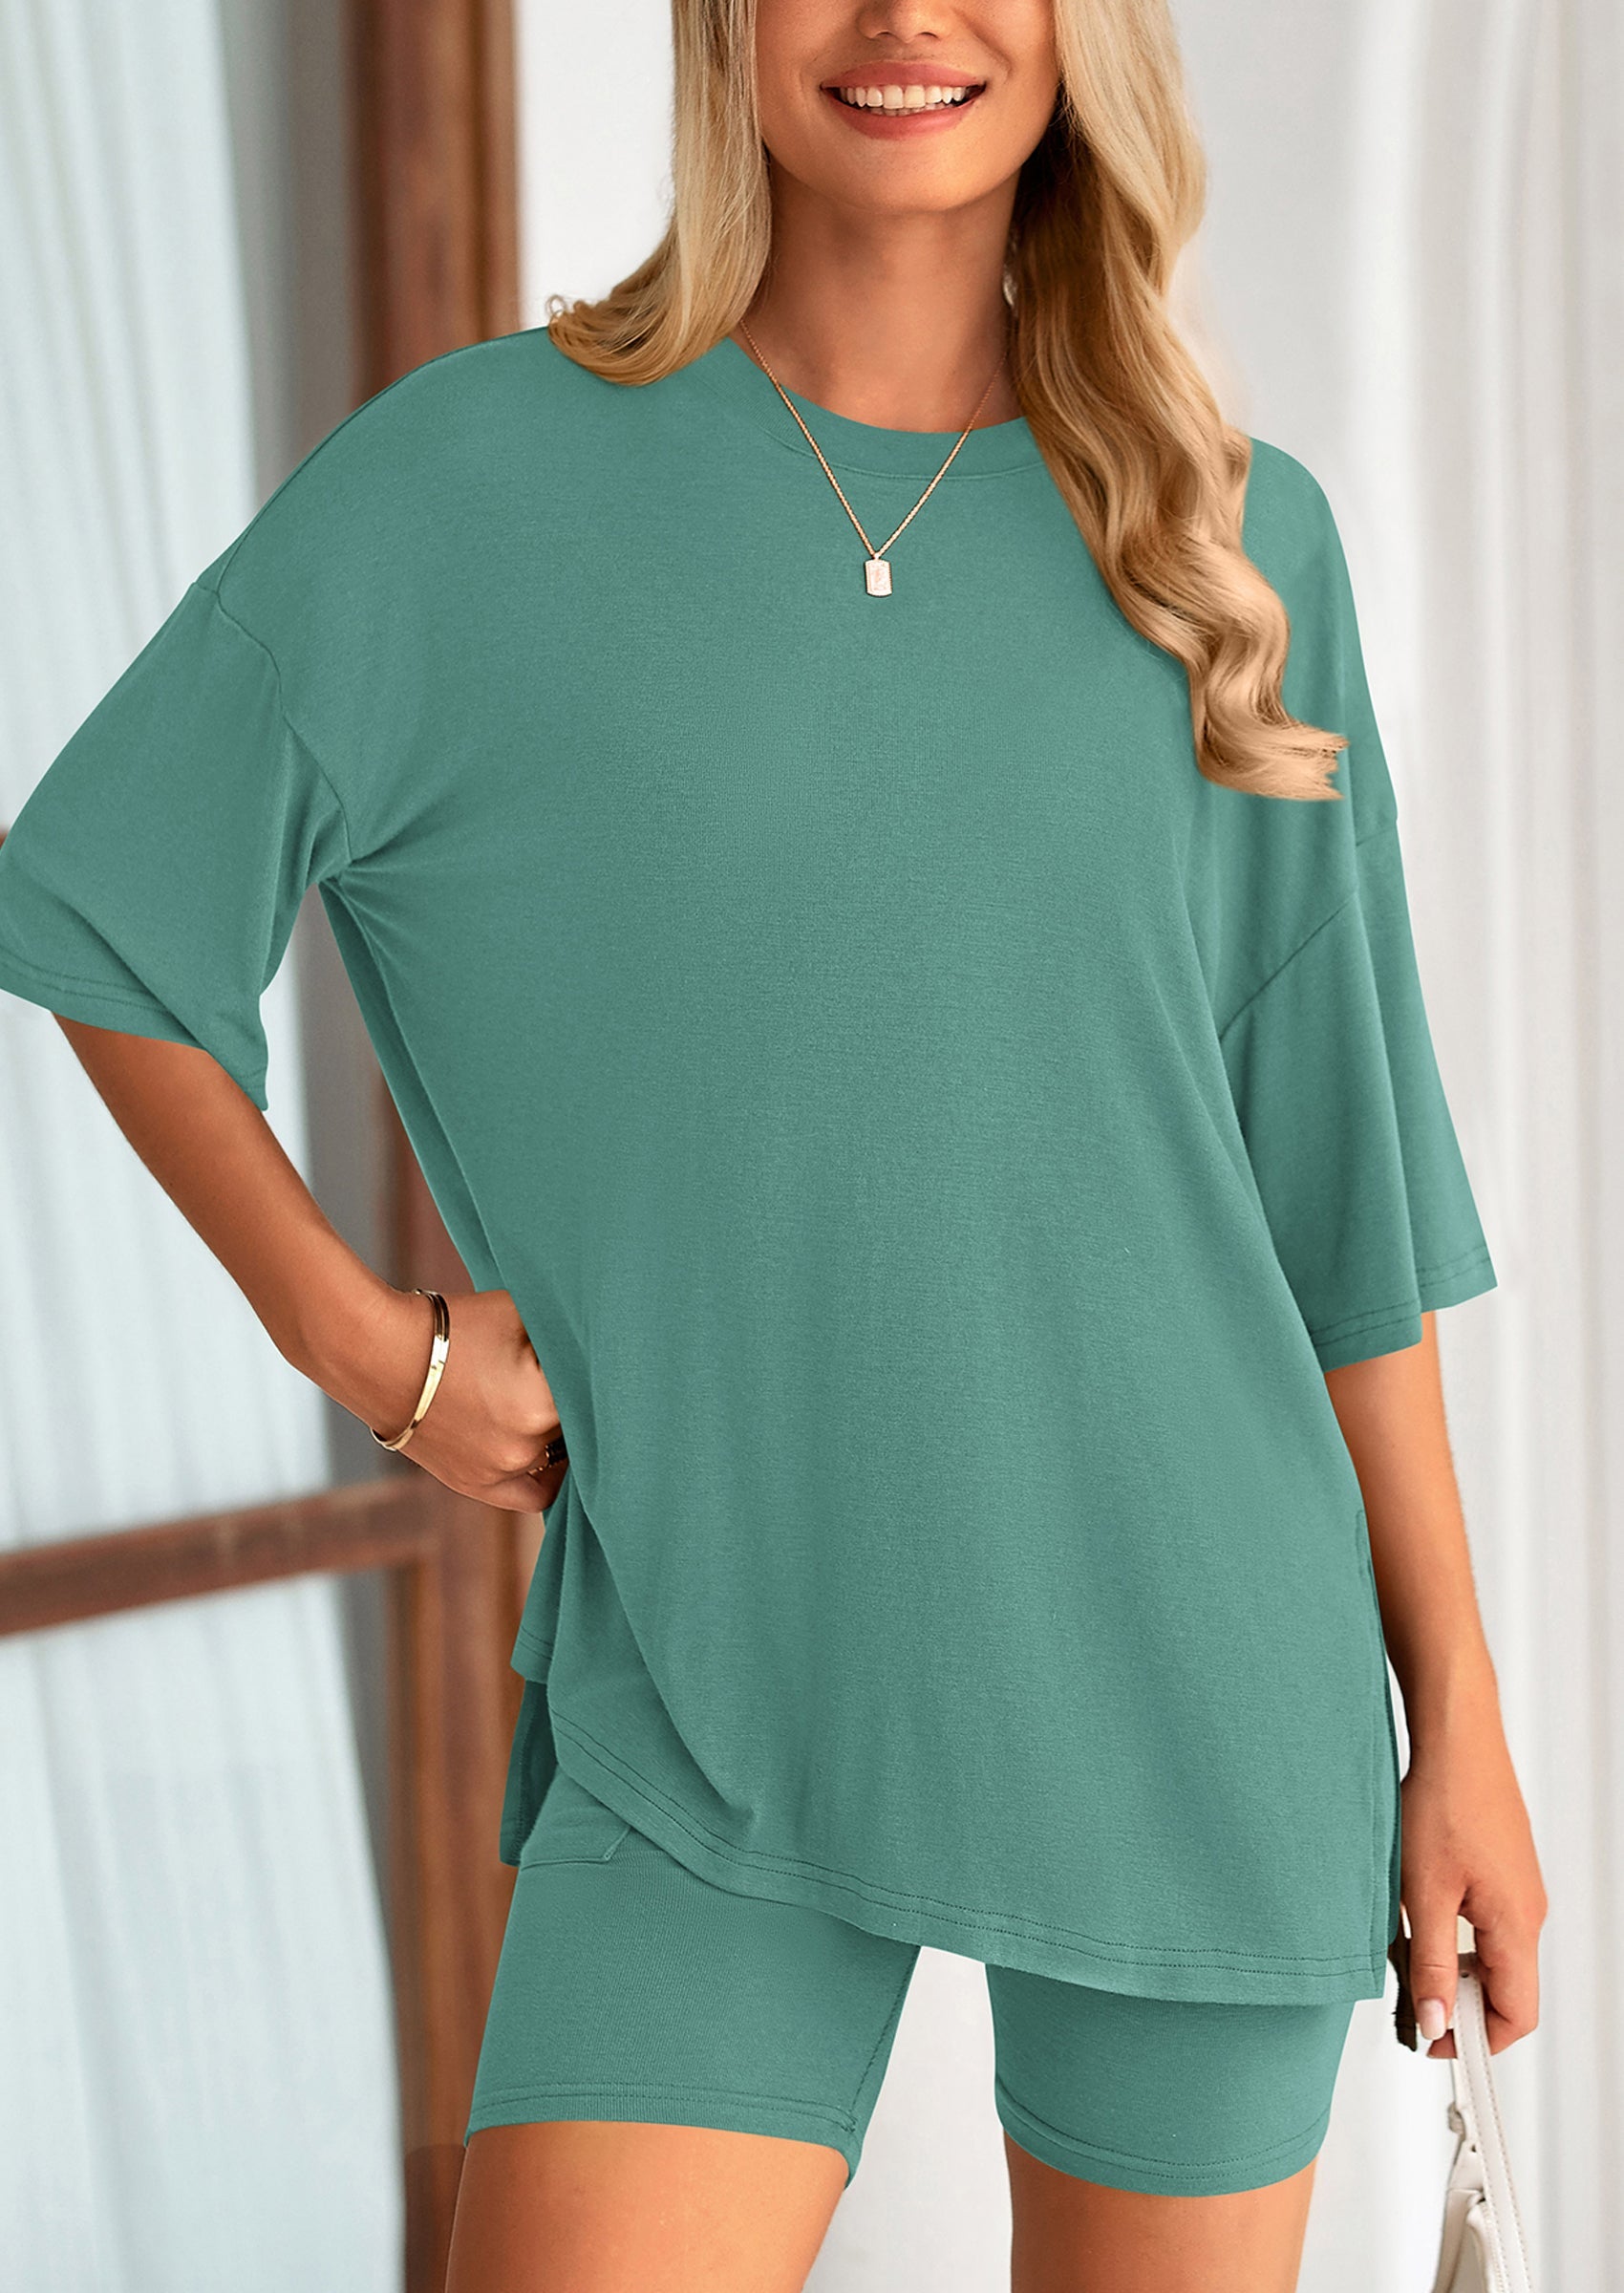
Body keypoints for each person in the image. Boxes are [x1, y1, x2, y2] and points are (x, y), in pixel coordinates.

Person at [0, 1, 1547, 2287]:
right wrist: (364, 1346)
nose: (905, 18)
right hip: (699, 1681)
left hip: (1194, 1680)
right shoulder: (470, 486)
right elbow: (105, 902)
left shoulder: (1231, 544)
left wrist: (1461, 1725)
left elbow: (1340, 1199)